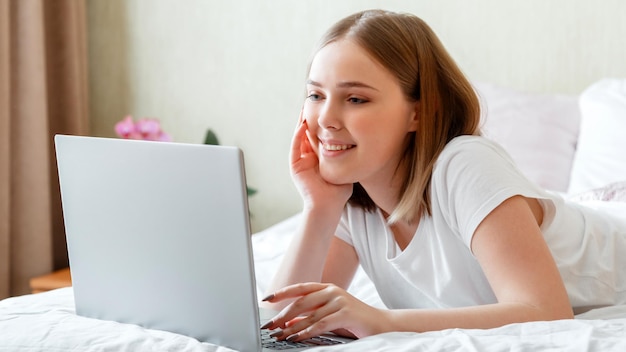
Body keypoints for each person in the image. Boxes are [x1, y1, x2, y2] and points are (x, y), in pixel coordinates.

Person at [260, 9, 626, 342]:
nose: (325, 118)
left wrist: (382, 321)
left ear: (417, 113)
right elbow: (276, 326)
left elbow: (546, 313)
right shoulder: (352, 196)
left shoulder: (465, 164)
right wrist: (317, 208)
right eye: (315, 95)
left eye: (355, 99)